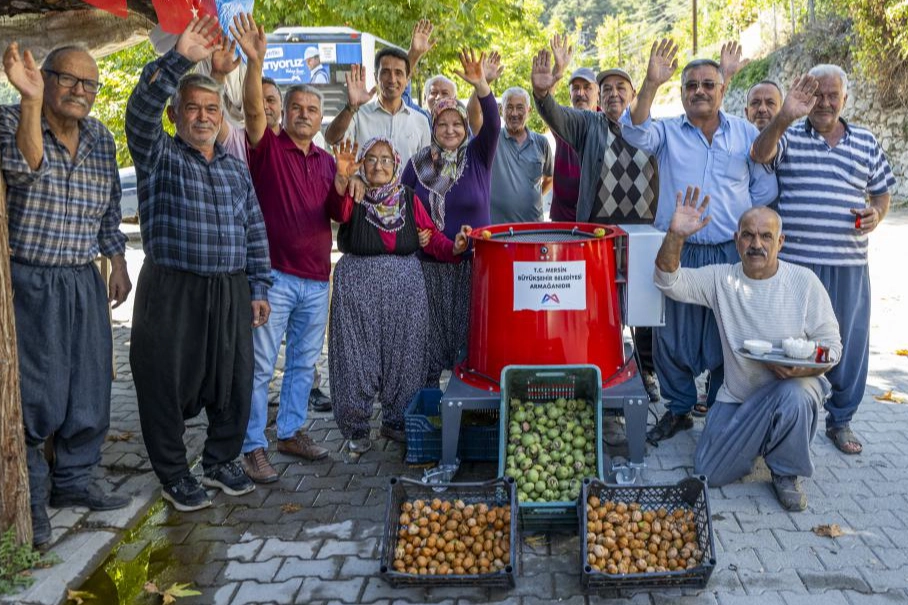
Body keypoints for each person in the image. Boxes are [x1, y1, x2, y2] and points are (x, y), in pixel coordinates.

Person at [125, 16, 272, 512]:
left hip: (230, 289)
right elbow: (139, 113)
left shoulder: (233, 165)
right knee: (163, 382)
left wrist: (258, 287)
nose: (205, 116)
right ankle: (173, 474)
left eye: (212, 108)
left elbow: (254, 227)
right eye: (194, 108)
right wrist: (180, 59)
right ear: (177, 114)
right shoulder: (159, 155)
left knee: (234, 378)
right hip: (172, 289)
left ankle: (219, 461)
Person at [1, 42, 132, 546]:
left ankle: (76, 480)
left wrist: (117, 261)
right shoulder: (11, 119)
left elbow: (107, 211)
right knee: (39, 390)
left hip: (82, 276)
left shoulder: (99, 137)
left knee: (90, 384)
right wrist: (31, 102)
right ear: (45, 77)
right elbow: (25, 166)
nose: (81, 91)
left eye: (90, 84)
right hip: (30, 276)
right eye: (69, 79)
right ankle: (32, 493)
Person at [620, 39, 778, 443]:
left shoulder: (746, 134)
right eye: (692, 85)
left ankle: (724, 406)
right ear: (683, 92)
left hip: (730, 252)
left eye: (709, 84)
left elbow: (762, 191)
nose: (700, 91)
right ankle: (678, 409)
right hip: (680, 249)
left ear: (723, 89)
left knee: (731, 333)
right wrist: (651, 84)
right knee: (673, 335)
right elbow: (635, 132)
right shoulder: (669, 132)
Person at [654, 190, 842, 510]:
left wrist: (804, 370)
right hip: (738, 397)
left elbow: (832, 347)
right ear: (736, 240)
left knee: (798, 394)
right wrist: (676, 235)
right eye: (749, 235)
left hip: (791, 387)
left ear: (780, 242)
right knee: (708, 472)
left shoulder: (804, 282)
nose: (757, 244)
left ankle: (785, 471)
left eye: (766, 236)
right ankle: (766, 436)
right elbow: (667, 280)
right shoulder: (722, 279)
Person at [750, 65, 895, 455]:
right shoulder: (790, 136)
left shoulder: (865, 141)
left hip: (847, 265)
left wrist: (878, 214)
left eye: (833, 95)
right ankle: (781, 418)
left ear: (845, 99)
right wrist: (784, 115)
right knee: (787, 344)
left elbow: (882, 193)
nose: (826, 103)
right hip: (795, 267)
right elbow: (759, 153)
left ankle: (841, 419)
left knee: (847, 344)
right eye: (818, 95)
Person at [231, 13, 340, 483]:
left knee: (302, 362)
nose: (302, 115)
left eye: (312, 111)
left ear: (319, 120)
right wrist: (255, 63)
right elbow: (254, 110)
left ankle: (291, 430)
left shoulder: (327, 160)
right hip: (272, 276)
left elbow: (338, 214)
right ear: (286, 112)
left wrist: (345, 182)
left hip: (316, 280)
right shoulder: (267, 147)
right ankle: (252, 445)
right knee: (258, 366)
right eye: (296, 108)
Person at [330, 137, 470, 454]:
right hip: (357, 287)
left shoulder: (407, 197)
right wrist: (342, 180)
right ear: (362, 164)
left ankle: (397, 422)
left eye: (386, 160)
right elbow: (337, 211)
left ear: (395, 165)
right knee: (356, 358)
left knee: (406, 355)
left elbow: (431, 238)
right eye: (371, 159)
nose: (378, 166)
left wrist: (455, 248)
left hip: (405, 286)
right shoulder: (355, 193)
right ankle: (356, 428)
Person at [401, 48, 499, 388]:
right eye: (442, 123)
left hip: (474, 268)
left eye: (457, 123)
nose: (450, 129)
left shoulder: (479, 155)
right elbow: (402, 206)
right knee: (427, 343)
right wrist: (415, 234)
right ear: (433, 126)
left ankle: (469, 408)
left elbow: (493, 119)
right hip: (428, 269)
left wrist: (481, 85)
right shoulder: (417, 164)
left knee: (469, 344)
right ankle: (425, 410)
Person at [325, 46, 430, 166]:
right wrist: (351, 106)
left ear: (407, 80)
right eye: (385, 72)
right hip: (364, 185)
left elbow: (424, 169)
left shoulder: (420, 121)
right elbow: (331, 139)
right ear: (376, 77)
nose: (392, 79)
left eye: (398, 73)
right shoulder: (357, 115)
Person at [489, 86, 553, 223]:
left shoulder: (541, 142)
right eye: (509, 107)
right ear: (501, 110)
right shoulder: (492, 139)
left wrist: (532, 198)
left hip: (533, 227)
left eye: (520, 107)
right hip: (499, 230)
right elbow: (475, 116)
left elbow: (549, 179)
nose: (514, 113)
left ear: (528, 111)